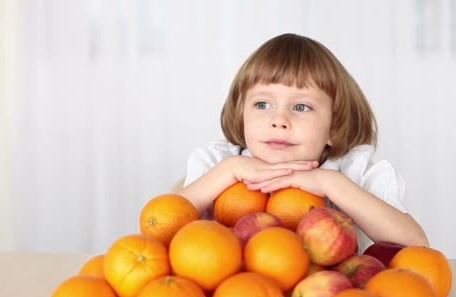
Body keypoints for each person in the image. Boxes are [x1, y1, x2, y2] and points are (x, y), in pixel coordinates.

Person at [179, 33, 429, 251]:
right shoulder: (217, 162)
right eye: (262, 104)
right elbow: (162, 229)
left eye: (301, 106)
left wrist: (332, 184)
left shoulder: (353, 172)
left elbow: (415, 246)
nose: (279, 120)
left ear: (334, 125)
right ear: (241, 113)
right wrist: (225, 171)